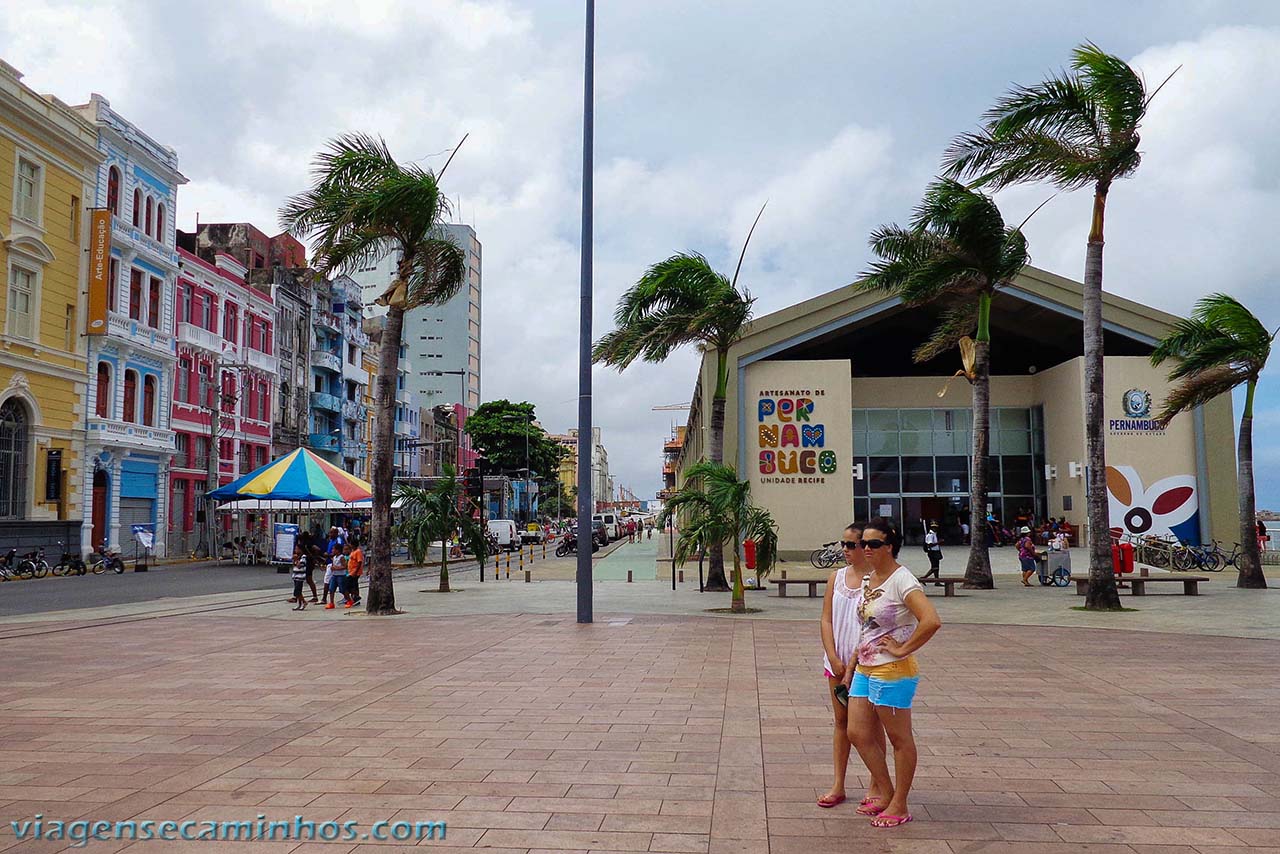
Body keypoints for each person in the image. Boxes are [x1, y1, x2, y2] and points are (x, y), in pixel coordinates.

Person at [843, 516, 941, 828]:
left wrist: (903, 648)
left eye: (873, 544)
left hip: (894, 669)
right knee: (856, 732)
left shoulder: (903, 580)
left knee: (899, 738)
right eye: (863, 544)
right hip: (865, 667)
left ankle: (900, 803)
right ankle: (886, 790)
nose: (865, 549)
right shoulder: (871, 578)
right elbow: (866, 627)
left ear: (889, 546)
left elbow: (931, 620)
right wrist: (852, 665)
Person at [818, 522, 876, 812]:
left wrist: (853, 662)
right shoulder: (836, 578)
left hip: (865, 664)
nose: (846, 550)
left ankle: (876, 784)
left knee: (868, 727)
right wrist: (833, 656)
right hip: (837, 664)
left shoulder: (876, 581)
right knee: (841, 723)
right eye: (844, 545)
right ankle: (838, 783)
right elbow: (826, 619)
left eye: (851, 545)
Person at [348, 538, 364, 607]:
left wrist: (356, 571)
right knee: (353, 584)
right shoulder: (352, 551)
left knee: (352, 584)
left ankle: (356, 596)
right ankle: (354, 596)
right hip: (351, 571)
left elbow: (359, 562)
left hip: (355, 572)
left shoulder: (358, 551)